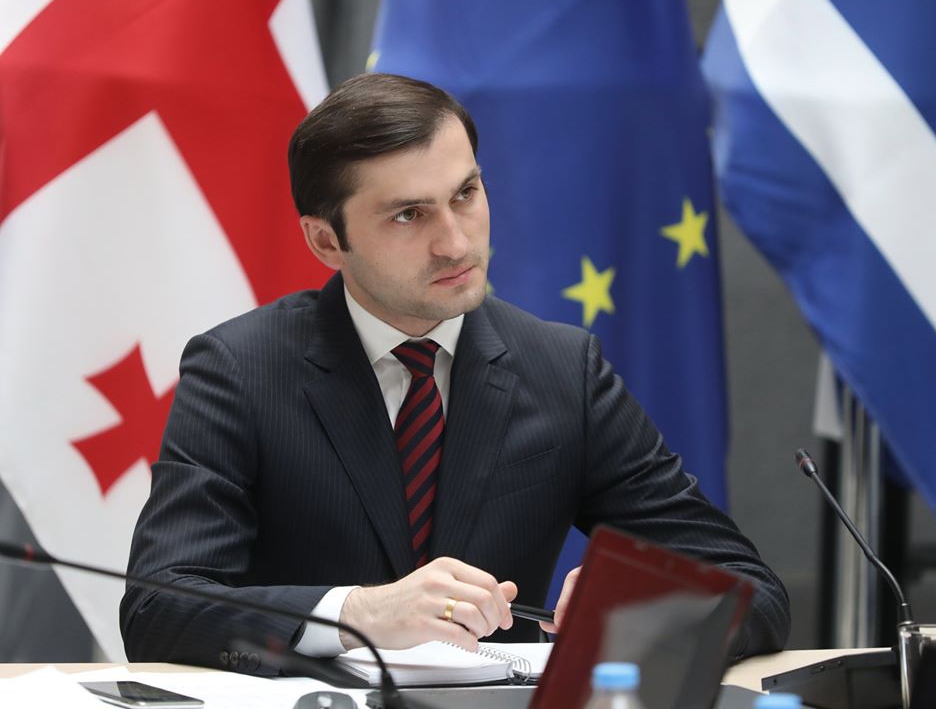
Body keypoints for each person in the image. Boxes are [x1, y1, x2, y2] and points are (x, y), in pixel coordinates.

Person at [120, 73, 790, 673]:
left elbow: (752, 591)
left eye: (465, 194)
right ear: (326, 241)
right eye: (409, 215)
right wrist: (358, 613)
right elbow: (158, 608)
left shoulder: (562, 370)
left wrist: (654, 610)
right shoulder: (240, 370)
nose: (457, 242)